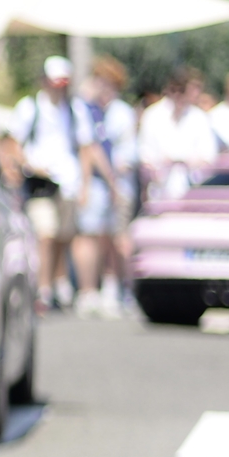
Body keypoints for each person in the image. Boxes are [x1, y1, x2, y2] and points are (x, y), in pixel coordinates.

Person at [15, 56, 103, 308]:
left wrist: (85, 185)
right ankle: (43, 289)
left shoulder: (76, 110)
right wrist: (29, 165)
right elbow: (13, 143)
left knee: (63, 238)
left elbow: (86, 148)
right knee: (45, 235)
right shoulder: (29, 107)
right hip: (40, 182)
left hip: (69, 182)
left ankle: (58, 282)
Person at [75, 56, 136, 315]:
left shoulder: (122, 112)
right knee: (92, 235)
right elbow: (87, 147)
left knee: (117, 237)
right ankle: (89, 290)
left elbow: (127, 153)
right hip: (98, 184)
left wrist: (114, 180)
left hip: (119, 183)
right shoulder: (87, 109)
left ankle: (114, 286)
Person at [139, 68, 221, 200]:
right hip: (160, 194)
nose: (178, 96)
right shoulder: (152, 116)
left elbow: (208, 157)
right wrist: (161, 166)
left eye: (182, 91)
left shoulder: (200, 118)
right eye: (174, 90)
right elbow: (146, 157)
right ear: (167, 90)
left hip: (192, 194)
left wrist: (185, 162)